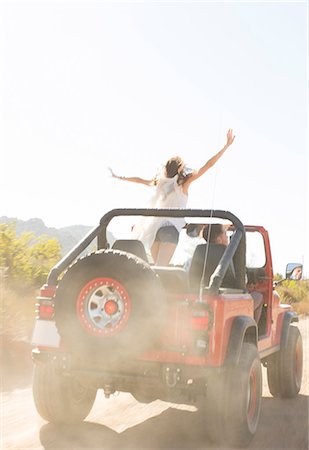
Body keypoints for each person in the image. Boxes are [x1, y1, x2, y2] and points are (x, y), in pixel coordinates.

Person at [110, 129, 235, 265]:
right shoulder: (182, 185)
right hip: (170, 230)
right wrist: (226, 146)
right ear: (180, 168)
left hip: (155, 229)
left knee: (155, 269)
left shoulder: (160, 184)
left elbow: (140, 180)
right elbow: (208, 165)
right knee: (160, 269)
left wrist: (120, 177)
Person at [202, 223, 263, 322]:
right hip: (230, 299)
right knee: (259, 296)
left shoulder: (197, 255)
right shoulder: (229, 259)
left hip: (201, 297)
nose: (227, 237)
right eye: (225, 234)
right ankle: (252, 329)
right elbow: (243, 281)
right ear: (219, 239)